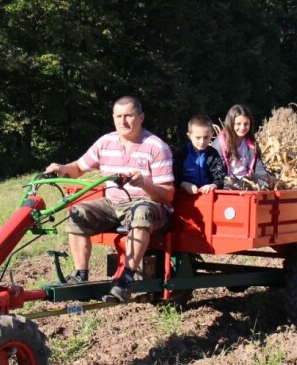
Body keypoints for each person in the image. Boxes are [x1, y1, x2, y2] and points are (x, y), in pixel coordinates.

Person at [45, 96, 175, 302]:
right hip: (112, 204)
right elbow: (79, 168)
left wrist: (144, 184)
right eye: (119, 116)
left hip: (148, 204)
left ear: (141, 117)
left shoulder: (156, 147)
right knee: (77, 212)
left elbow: (168, 195)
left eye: (129, 116)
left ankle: (126, 279)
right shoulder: (105, 143)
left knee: (140, 212)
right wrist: (61, 168)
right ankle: (81, 275)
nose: (123, 122)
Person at [212, 104, 272, 189]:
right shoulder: (219, 145)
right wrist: (237, 182)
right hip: (228, 185)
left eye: (246, 124)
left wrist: (265, 179)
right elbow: (218, 173)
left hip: (248, 182)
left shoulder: (252, 145)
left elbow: (259, 168)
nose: (242, 127)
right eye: (238, 124)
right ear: (231, 124)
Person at [173, 115, 226, 194]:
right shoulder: (181, 153)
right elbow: (172, 176)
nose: (202, 141)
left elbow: (220, 177)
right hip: (183, 195)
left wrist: (213, 185)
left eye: (206, 137)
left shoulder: (213, 154)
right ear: (189, 136)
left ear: (212, 134)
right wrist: (183, 184)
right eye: (198, 138)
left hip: (207, 195)